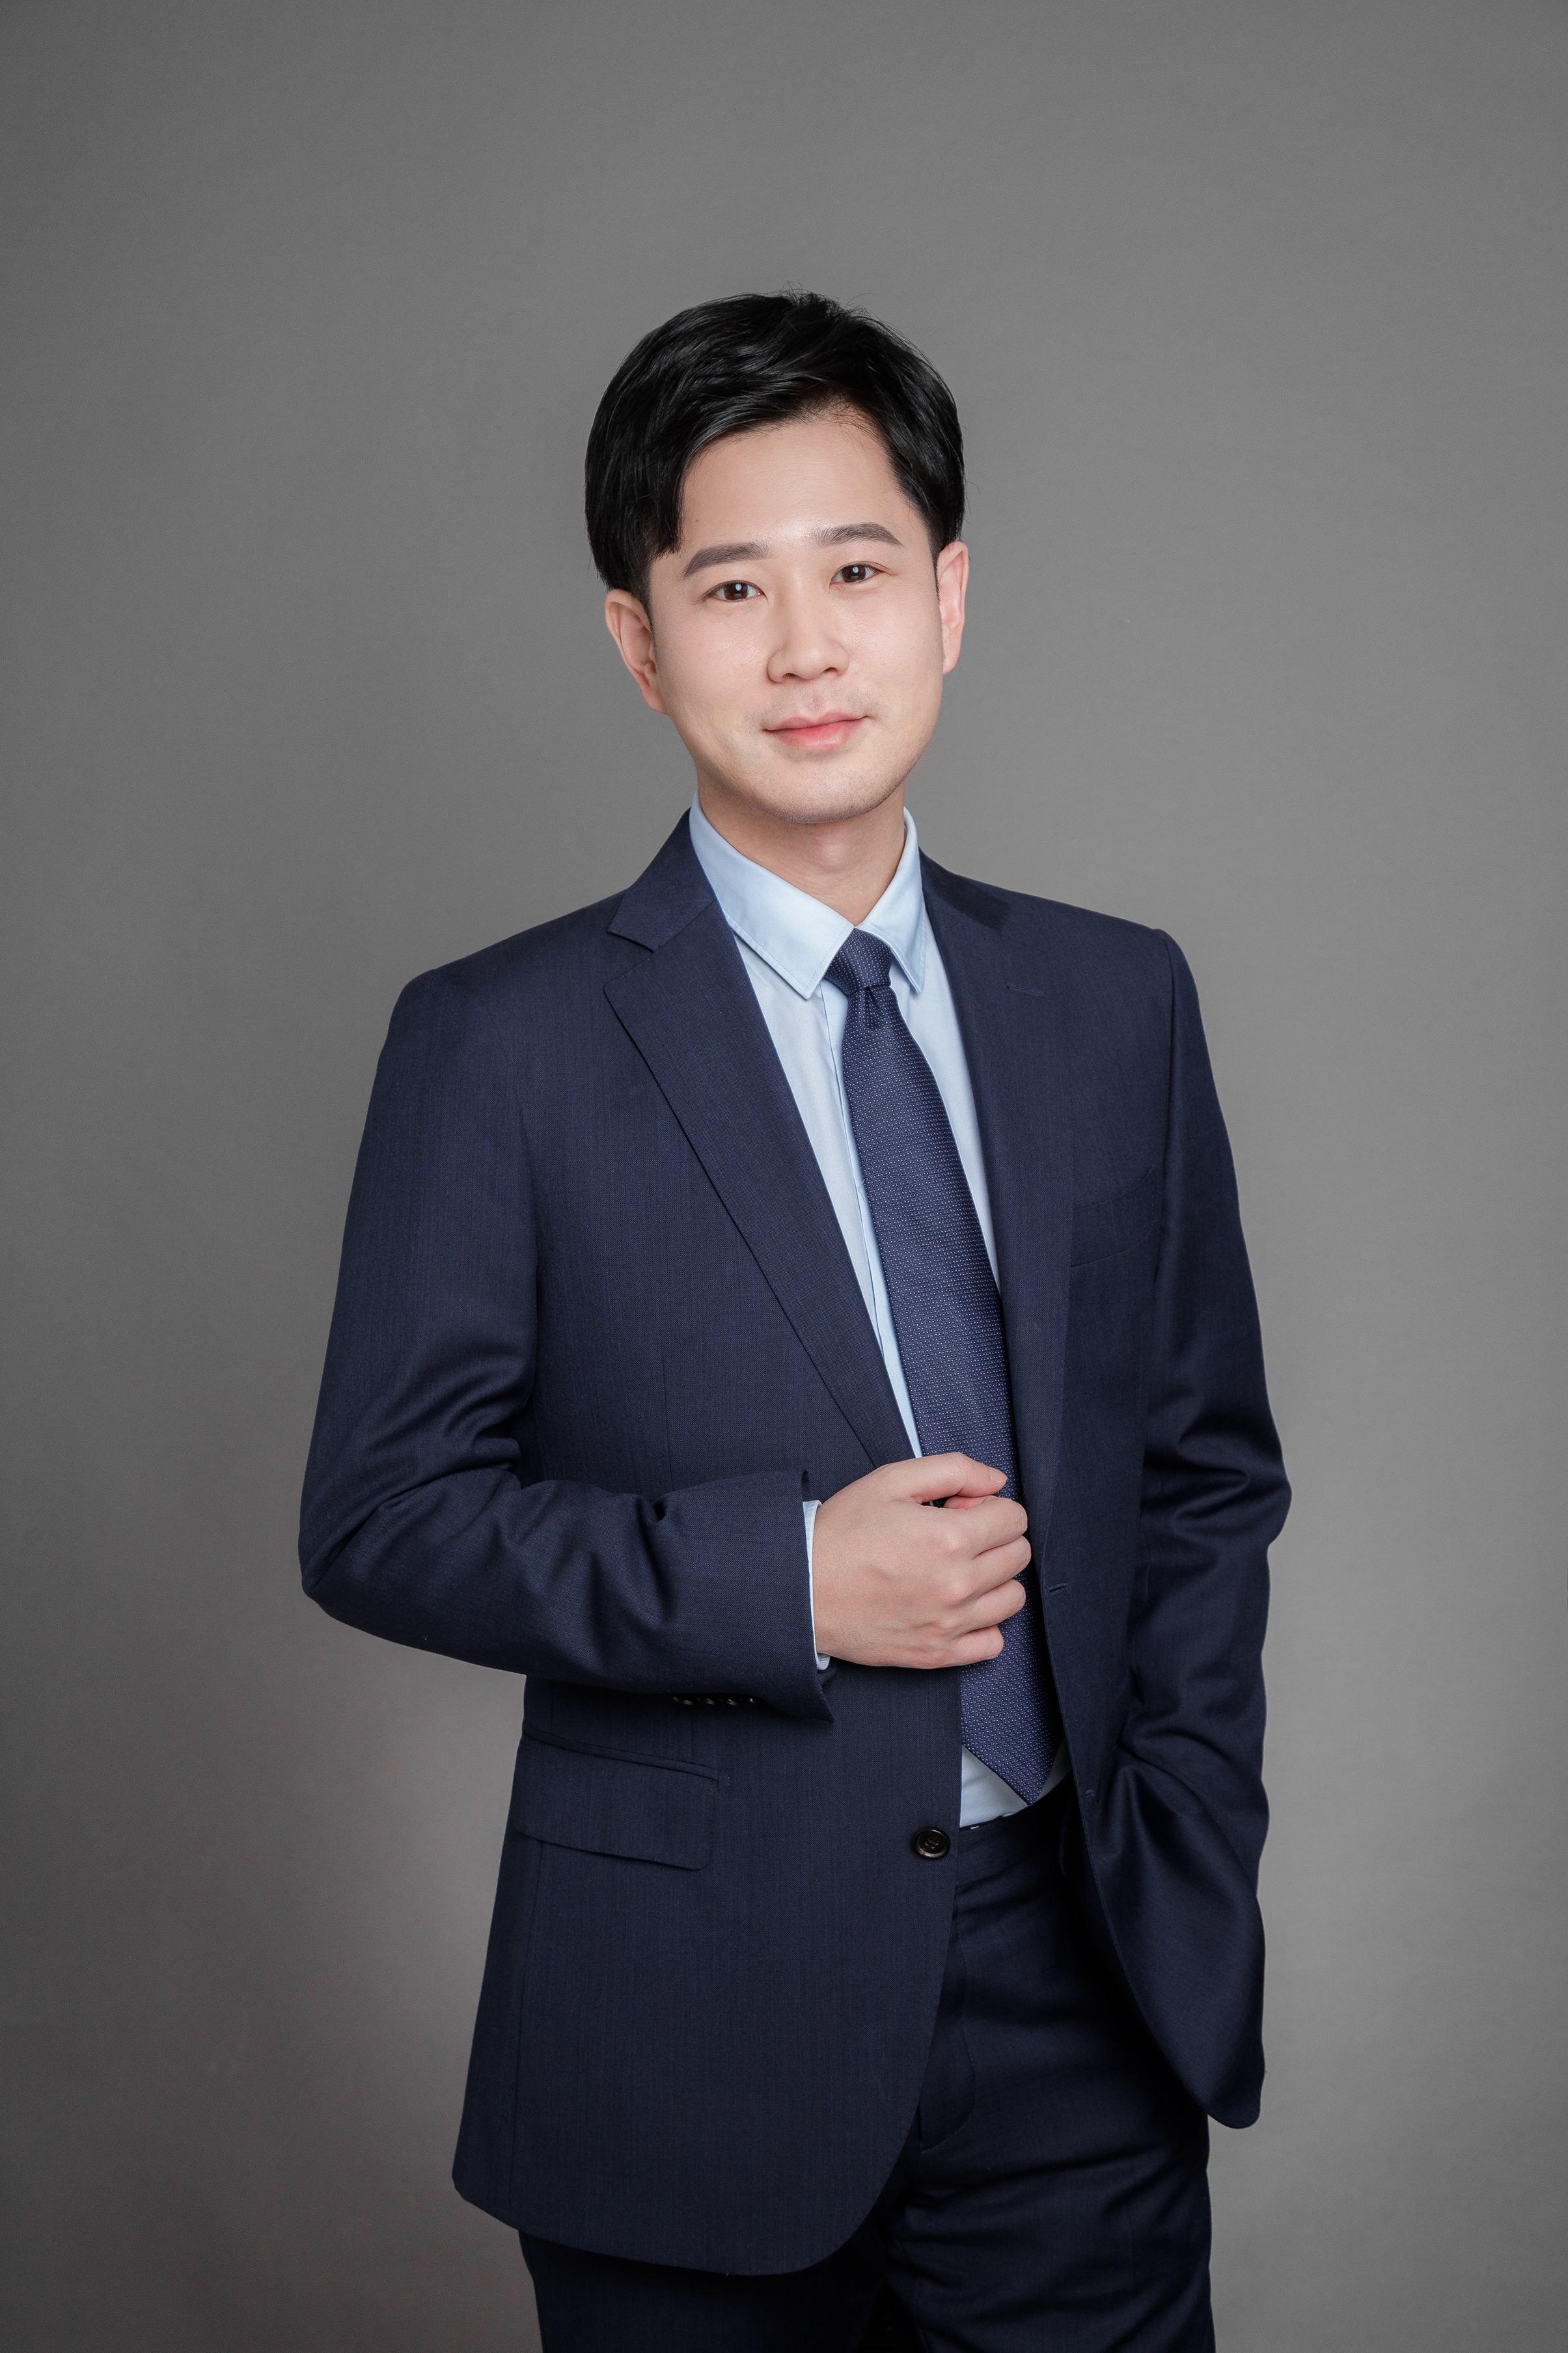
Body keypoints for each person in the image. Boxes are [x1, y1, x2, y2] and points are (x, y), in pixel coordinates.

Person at [299, 290, 1289, 2352]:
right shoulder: (498, 1043)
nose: (807, 647)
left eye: (855, 571)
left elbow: (1202, 1472)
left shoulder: (1113, 1002)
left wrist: (1182, 1828)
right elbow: (380, 1517)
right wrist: (784, 1580)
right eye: (731, 588)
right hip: (681, 2026)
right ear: (639, 640)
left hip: (1081, 1989)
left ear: (948, 597)